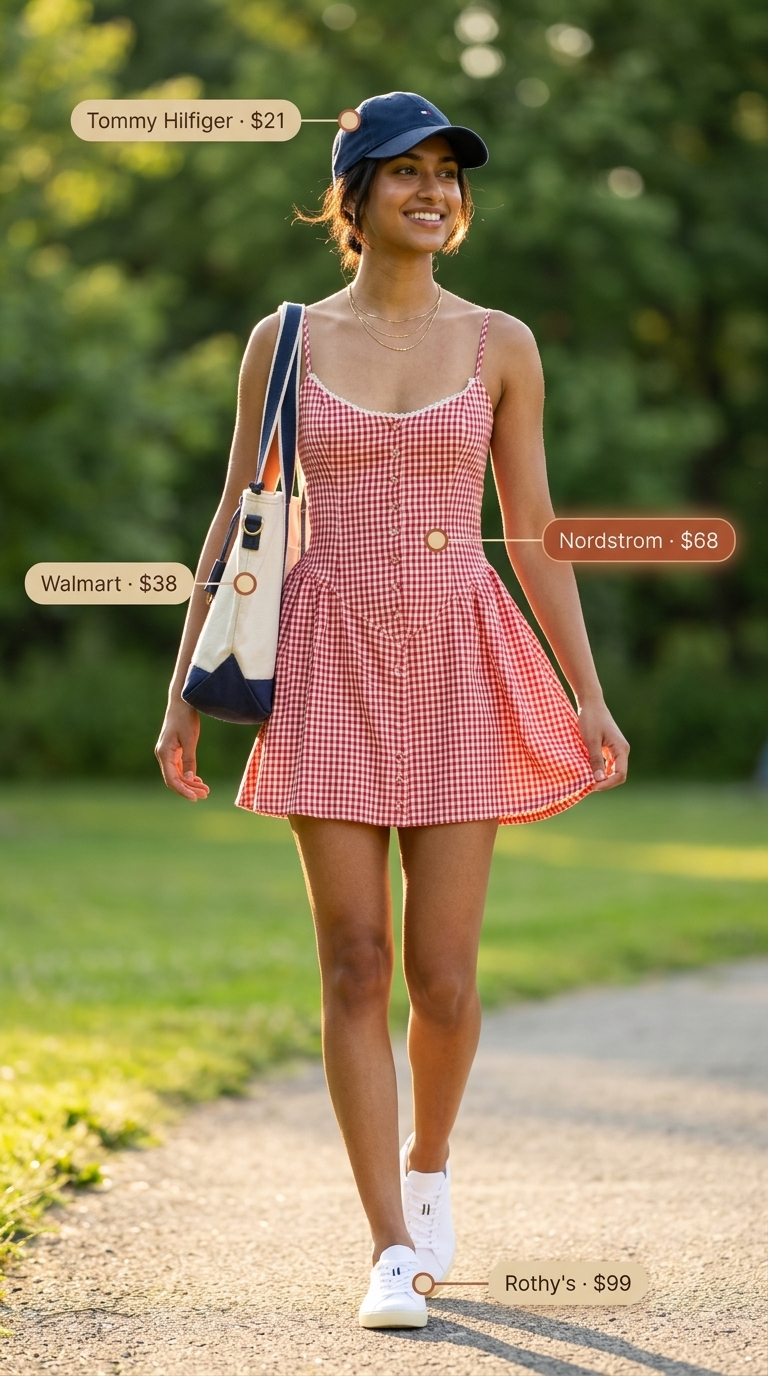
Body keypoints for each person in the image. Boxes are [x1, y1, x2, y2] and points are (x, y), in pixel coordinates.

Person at [155, 91, 629, 1330]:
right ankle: (387, 1248)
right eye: (403, 172)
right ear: (351, 199)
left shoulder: (504, 342)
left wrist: (587, 690)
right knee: (356, 960)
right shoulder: (287, 339)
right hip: (321, 653)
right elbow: (239, 519)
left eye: (448, 175)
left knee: (447, 977)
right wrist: (186, 686)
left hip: (460, 653)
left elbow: (532, 531)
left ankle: (429, 1172)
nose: (433, 190)